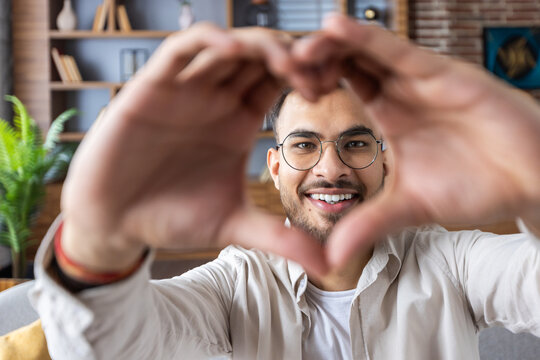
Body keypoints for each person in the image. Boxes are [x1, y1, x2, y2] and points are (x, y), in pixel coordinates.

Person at [30, 14, 540, 359]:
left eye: (357, 143)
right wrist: (100, 237)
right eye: (304, 145)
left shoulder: (454, 262)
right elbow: (112, 344)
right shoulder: (233, 284)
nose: (332, 168)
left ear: (388, 162)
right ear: (274, 168)